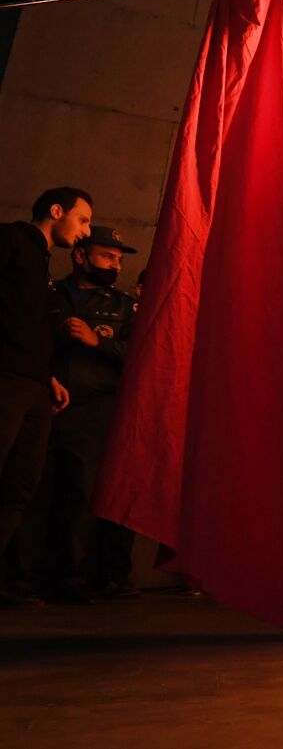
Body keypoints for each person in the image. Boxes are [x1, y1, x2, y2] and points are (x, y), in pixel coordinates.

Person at [0, 187, 91, 605]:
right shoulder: (13, 241)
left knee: (20, 486)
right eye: (83, 219)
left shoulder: (44, 268)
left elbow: (29, 326)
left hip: (34, 385)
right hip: (8, 379)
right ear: (57, 211)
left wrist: (48, 377)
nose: (86, 231)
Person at [44, 226, 140, 602]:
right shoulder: (50, 296)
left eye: (118, 259)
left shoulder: (123, 306)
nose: (114, 266)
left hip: (98, 412)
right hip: (46, 405)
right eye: (106, 256)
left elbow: (145, 355)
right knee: (36, 495)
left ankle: (79, 581)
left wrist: (97, 341)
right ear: (80, 255)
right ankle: (25, 580)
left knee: (83, 495)